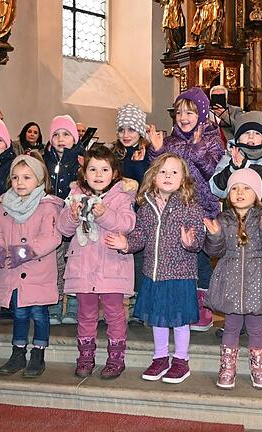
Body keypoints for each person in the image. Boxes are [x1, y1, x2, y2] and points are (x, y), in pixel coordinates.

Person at [105, 154, 204, 384]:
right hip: (154, 273)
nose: (168, 176)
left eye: (174, 172)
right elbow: (140, 235)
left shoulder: (191, 206)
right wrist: (126, 244)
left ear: (184, 179)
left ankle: (181, 360)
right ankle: (160, 357)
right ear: (154, 176)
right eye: (163, 172)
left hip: (180, 274)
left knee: (179, 320)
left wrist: (191, 242)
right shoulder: (146, 206)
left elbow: (198, 238)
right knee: (158, 319)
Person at [57, 146, 137, 379]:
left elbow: (127, 223)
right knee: (86, 314)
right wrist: (72, 215)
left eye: (104, 169)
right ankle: (85, 356)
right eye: (93, 169)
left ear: (114, 173)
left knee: (115, 314)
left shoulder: (122, 197)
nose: (98, 174)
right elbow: (62, 229)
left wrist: (103, 214)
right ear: (84, 172)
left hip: (112, 266)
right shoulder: (74, 195)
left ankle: (115, 358)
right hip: (83, 267)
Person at [149, 87, 224, 332]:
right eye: (179, 112)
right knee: (180, 258)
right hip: (176, 209)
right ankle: (181, 304)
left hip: (203, 207)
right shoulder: (170, 141)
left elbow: (215, 173)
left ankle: (203, 307)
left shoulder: (212, 138)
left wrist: (198, 147)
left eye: (190, 112)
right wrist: (157, 151)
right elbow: (158, 174)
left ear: (202, 114)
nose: (183, 117)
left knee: (201, 259)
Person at [204, 168, 262, 390]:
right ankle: (227, 368)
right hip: (230, 279)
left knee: (256, 327)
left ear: (257, 194)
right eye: (235, 188)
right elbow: (215, 251)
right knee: (230, 326)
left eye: (246, 188)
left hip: (257, 279)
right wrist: (213, 235)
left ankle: (259, 368)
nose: (240, 192)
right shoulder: (223, 218)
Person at [210, 111, 262, 342]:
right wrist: (233, 167)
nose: (251, 138)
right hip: (235, 220)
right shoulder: (229, 155)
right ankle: (234, 318)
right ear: (238, 138)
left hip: (261, 219)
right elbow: (216, 187)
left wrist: (248, 168)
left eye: (256, 134)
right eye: (246, 134)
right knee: (235, 272)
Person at [0, 155, 64, 378]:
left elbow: (50, 238)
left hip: (37, 270)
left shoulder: (47, 206)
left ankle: (38, 354)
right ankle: (18, 352)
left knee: (39, 314)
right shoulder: (3, 206)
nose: (20, 182)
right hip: (12, 272)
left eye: (27, 177)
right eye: (15, 177)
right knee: (19, 313)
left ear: (39, 181)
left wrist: (22, 253)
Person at [112, 103, 152, 327]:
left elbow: (144, 183)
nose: (126, 135)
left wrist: (138, 164)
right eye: (122, 130)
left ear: (140, 131)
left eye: (131, 130)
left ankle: (139, 305)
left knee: (139, 260)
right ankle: (120, 303)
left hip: (140, 213)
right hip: (119, 214)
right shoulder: (115, 153)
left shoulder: (146, 153)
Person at [43, 114, 83, 325]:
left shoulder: (80, 160)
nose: (60, 139)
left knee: (75, 262)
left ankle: (75, 307)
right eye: (56, 134)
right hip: (50, 216)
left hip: (74, 215)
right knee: (54, 263)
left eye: (66, 134)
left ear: (74, 138)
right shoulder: (44, 158)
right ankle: (55, 303)